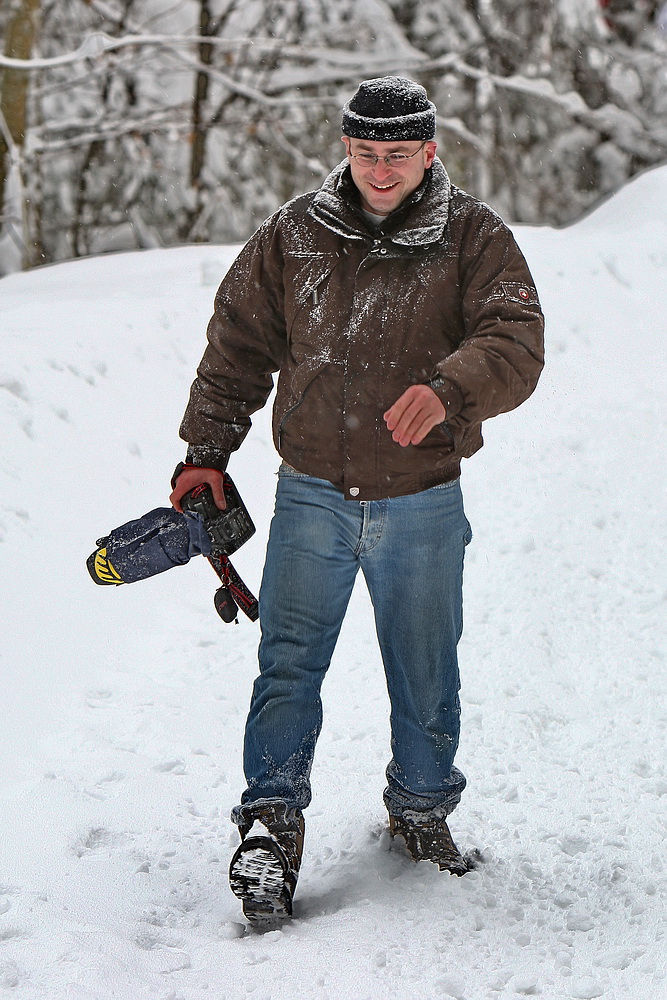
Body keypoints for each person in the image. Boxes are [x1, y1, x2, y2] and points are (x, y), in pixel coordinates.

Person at [170, 76, 545, 923]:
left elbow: (515, 340)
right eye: (366, 153)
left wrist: (450, 388)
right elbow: (237, 346)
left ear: (430, 150)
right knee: (288, 663)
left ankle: (419, 808)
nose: (381, 170)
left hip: (421, 499)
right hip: (311, 494)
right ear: (345, 148)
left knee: (424, 670)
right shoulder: (294, 234)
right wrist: (204, 453)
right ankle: (268, 823)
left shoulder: (473, 238)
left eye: (398, 154)